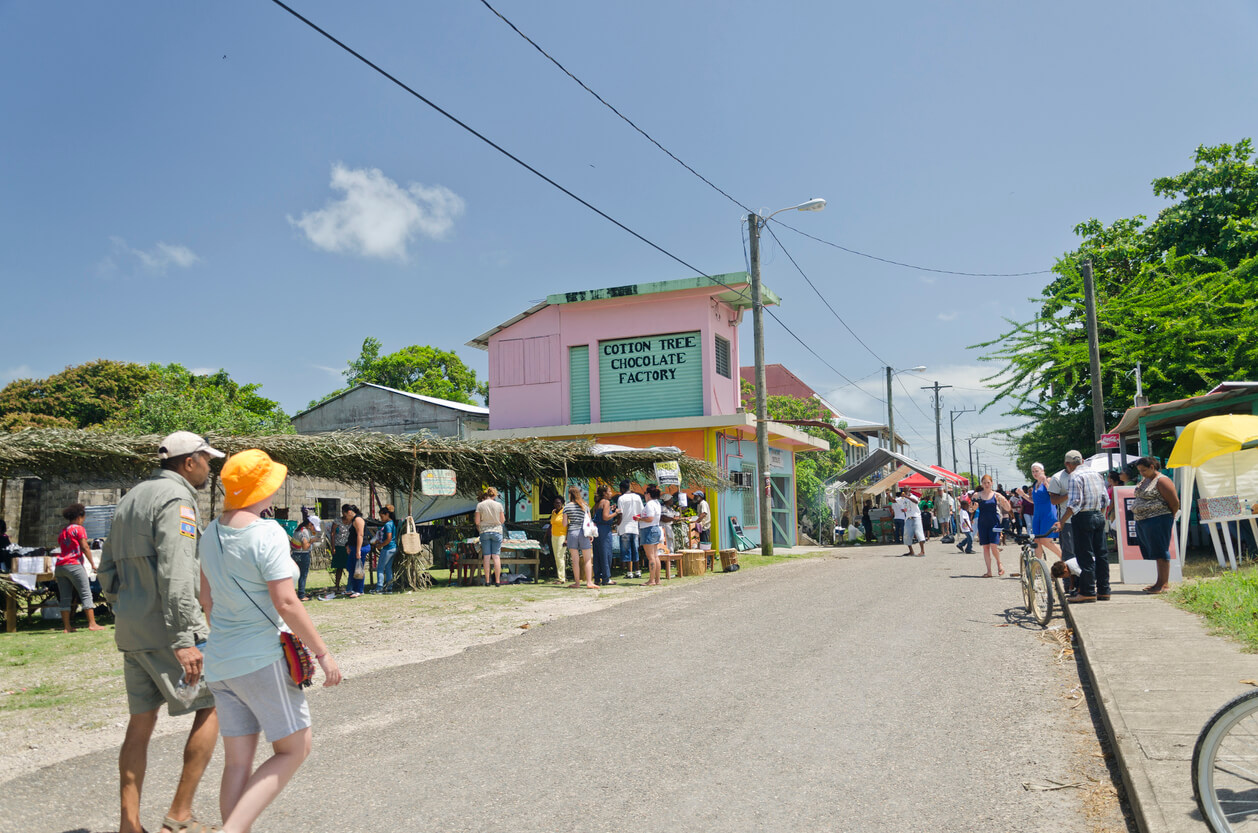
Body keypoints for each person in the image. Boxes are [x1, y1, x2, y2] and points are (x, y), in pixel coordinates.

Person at [199, 450, 342, 833]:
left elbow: (206, 600)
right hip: (261, 659)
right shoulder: (266, 533)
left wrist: (228, 637)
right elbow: (286, 601)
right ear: (262, 489)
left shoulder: (210, 532)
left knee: (237, 763)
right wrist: (323, 653)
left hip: (220, 661)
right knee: (295, 748)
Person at [97, 431, 223, 833]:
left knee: (140, 724)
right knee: (214, 704)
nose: (210, 466)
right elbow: (178, 570)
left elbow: (106, 571)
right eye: (207, 459)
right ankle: (180, 817)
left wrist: (128, 606)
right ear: (189, 462)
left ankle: (128, 825)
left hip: (133, 629)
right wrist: (186, 637)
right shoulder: (177, 500)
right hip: (168, 630)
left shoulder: (131, 497)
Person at [1051, 449, 1111, 602]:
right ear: (1082, 460)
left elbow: (1075, 503)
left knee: (1085, 556)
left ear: (1068, 464)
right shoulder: (1097, 474)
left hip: (1083, 517)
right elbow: (1105, 499)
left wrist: (1062, 521)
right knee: (1101, 555)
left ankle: (1088, 591)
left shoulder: (1074, 476)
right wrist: (1099, 515)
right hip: (1098, 515)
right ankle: (1104, 590)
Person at [1132, 456, 1180, 594]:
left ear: (1152, 467)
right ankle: (1158, 582)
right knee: (1154, 550)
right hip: (1144, 520)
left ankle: (1164, 584)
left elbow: (1174, 501)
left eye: (1144, 470)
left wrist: (1169, 515)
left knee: (1160, 549)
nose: (1142, 473)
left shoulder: (1162, 480)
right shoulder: (1146, 480)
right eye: (1140, 471)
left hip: (1158, 519)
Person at [55, 503, 105, 632]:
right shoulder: (79, 529)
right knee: (86, 593)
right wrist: (92, 563)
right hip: (74, 564)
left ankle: (67, 627)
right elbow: (84, 547)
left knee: (65, 596)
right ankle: (92, 624)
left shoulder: (63, 531)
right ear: (79, 517)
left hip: (60, 566)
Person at [974, 475, 1012, 577]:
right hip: (982, 523)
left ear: (992, 483)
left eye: (988, 483)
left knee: (994, 545)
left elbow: (1008, 508)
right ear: (981, 484)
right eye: (984, 483)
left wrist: (1003, 501)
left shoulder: (996, 495)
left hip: (995, 523)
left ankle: (999, 563)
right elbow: (970, 509)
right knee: (985, 547)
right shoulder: (977, 495)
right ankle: (989, 571)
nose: (986, 485)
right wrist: (973, 507)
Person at [563, 486, 597, 589]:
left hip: (572, 533)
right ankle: (589, 582)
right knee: (587, 559)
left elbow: (564, 524)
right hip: (584, 533)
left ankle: (577, 583)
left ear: (570, 495)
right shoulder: (585, 506)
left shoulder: (567, 507)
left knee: (575, 560)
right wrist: (590, 534)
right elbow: (589, 522)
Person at [1029, 463, 1062, 562]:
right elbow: (1035, 501)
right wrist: (1022, 495)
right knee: (1036, 540)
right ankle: (1038, 566)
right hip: (1037, 514)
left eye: (1037, 471)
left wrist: (1046, 483)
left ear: (1042, 471)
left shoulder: (1048, 480)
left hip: (1048, 514)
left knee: (1045, 540)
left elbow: (1053, 494)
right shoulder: (1035, 484)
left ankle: (1064, 558)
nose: (1035, 473)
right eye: (1033, 471)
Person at [476, 489, 505, 587]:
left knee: (487, 557)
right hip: (497, 531)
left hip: (484, 531)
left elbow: (477, 521)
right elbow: (502, 520)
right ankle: (497, 581)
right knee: (496, 556)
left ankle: (487, 581)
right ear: (494, 495)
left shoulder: (480, 505)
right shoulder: (499, 505)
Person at [616, 481, 644, 579]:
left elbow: (620, 514)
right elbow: (641, 512)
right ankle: (638, 571)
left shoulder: (621, 498)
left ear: (622, 488)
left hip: (624, 527)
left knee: (627, 550)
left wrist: (617, 523)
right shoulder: (637, 497)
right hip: (635, 527)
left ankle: (629, 572)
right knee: (635, 550)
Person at [637, 484, 664, 586]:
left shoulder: (649, 504)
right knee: (655, 555)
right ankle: (657, 579)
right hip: (656, 528)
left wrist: (640, 519)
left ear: (648, 494)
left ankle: (652, 580)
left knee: (651, 556)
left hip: (649, 529)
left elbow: (650, 518)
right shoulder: (657, 503)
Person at [592, 485, 616, 586]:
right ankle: (606, 578)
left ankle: (597, 578)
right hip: (604, 530)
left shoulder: (597, 503)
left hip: (597, 530)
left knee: (597, 554)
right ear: (605, 493)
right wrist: (616, 513)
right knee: (606, 554)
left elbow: (599, 515)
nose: (611, 493)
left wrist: (610, 509)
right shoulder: (606, 502)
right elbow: (605, 517)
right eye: (609, 491)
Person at [323, 512, 351, 599]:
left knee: (350, 567)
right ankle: (337, 585)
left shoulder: (352, 521)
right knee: (339, 567)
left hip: (349, 546)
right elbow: (332, 533)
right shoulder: (337, 521)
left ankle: (350, 586)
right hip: (339, 546)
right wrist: (333, 547)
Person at [341, 504, 367, 598]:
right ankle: (351, 589)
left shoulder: (358, 520)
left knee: (358, 570)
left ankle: (359, 590)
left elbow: (360, 535)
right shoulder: (353, 520)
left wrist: (358, 550)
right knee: (351, 569)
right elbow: (352, 535)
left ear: (349, 512)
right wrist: (348, 545)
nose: (345, 517)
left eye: (345, 515)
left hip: (360, 548)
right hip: (353, 547)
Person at [287, 518, 314, 601]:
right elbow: (305, 547)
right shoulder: (305, 532)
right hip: (303, 555)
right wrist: (312, 541)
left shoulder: (297, 529)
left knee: (293, 575)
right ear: (309, 524)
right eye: (313, 525)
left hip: (294, 554)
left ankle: (291, 594)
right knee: (302, 575)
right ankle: (301, 595)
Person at [373, 506, 397, 593]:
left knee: (380, 568)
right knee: (388, 568)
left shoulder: (387, 525)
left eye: (382, 516)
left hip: (387, 548)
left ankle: (379, 587)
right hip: (393, 548)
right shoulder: (393, 523)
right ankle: (389, 587)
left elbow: (388, 539)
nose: (381, 518)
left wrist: (380, 545)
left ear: (387, 514)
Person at [897, 490, 926, 557]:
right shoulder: (902, 499)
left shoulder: (914, 497)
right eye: (903, 490)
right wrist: (889, 495)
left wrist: (907, 497)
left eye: (906, 490)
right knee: (907, 535)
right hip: (908, 518)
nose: (904, 491)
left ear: (909, 491)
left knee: (919, 534)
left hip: (916, 517)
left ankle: (922, 551)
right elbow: (894, 501)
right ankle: (911, 551)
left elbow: (916, 502)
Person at [547, 497, 567, 584]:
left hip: (562, 536)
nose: (557, 504)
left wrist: (567, 539)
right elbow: (551, 524)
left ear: (562, 503)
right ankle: (560, 577)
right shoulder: (553, 512)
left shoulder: (565, 512)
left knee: (560, 557)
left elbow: (568, 526)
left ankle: (562, 578)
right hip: (554, 536)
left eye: (559, 503)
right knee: (556, 557)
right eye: (555, 503)